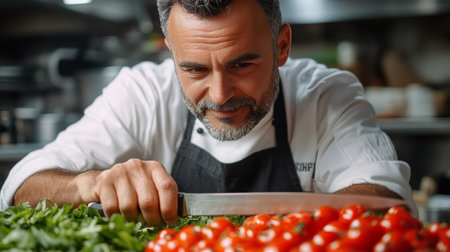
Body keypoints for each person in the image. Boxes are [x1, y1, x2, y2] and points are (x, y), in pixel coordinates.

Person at [0, 0, 416, 226]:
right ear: (172, 54)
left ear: (282, 46)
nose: (220, 95)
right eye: (195, 69)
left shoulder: (325, 96)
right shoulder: (141, 92)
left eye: (242, 64)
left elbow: (385, 201)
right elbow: (22, 184)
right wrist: (89, 185)